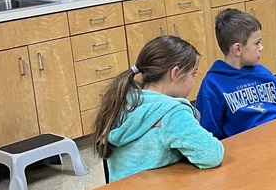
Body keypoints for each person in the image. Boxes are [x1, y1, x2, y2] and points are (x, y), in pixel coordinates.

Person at [93, 35, 224, 182]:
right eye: (193, 73)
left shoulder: (122, 101)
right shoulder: (173, 112)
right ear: (175, 73)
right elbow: (212, 155)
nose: (194, 82)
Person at [195, 9, 276, 139]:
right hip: (247, 149)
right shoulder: (212, 85)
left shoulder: (264, 73)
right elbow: (209, 135)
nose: (261, 47)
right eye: (257, 43)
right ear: (238, 49)